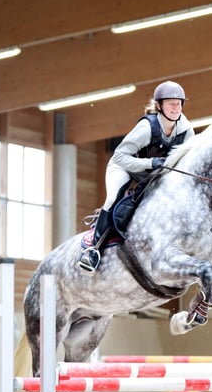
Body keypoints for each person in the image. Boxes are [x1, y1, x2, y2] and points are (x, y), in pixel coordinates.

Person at [77, 80, 195, 273]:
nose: (176, 107)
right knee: (114, 198)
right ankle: (92, 250)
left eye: (179, 103)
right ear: (159, 106)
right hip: (124, 167)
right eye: (171, 103)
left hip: (153, 175)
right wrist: (149, 163)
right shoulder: (148, 127)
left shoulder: (186, 131)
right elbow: (120, 156)